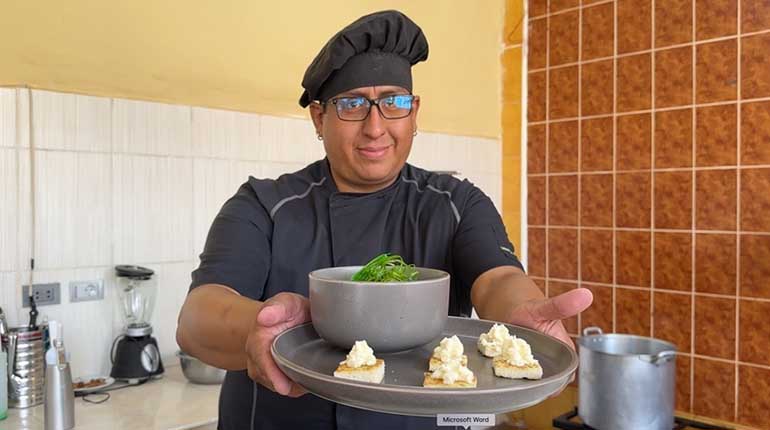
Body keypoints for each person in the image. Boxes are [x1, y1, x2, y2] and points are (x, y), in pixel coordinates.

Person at [176, 10, 593, 430]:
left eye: (393, 102)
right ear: (319, 118)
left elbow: (498, 278)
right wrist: (259, 327)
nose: (375, 127)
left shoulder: (456, 203)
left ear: (414, 112)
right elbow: (198, 317)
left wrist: (519, 312)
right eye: (352, 104)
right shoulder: (264, 205)